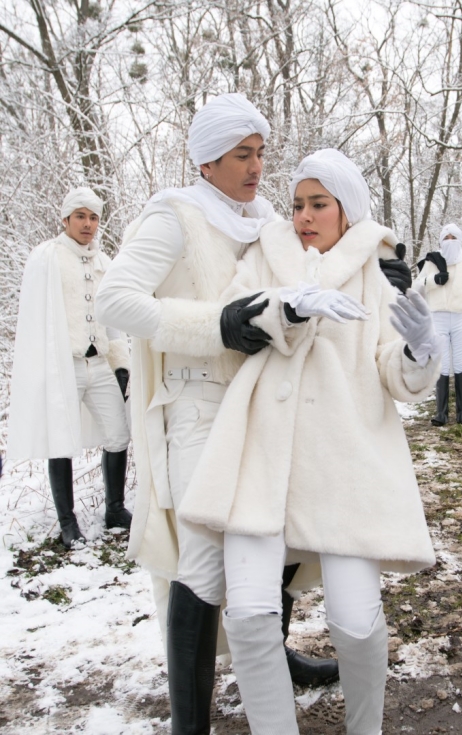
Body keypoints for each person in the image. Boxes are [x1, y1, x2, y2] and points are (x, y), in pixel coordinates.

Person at [95, 94, 337, 735]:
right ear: (206, 160)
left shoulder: (263, 219)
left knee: (274, 542)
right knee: (202, 562)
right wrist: (216, 326)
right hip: (198, 407)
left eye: (260, 153)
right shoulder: (175, 216)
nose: (257, 167)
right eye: (241, 155)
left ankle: (274, 660)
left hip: (263, 403)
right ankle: (189, 724)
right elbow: (114, 299)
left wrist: (375, 270)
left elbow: (308, 279)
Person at [175, 148, 440, 733]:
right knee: (247, 615)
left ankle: (365, 727)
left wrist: (422, 350)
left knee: (355, 620)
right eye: (297, 203)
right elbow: (232, 317)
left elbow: (393, 373)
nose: (303, 216)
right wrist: (288, 306)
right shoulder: (265, 255)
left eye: (319, 204)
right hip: (259, 457)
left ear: (347, 211)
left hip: (344, 462)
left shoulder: (375, 273)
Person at [8, 188, 132, 549]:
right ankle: (68, 522)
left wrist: (120, 363)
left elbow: (112, 319)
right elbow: (37, 317)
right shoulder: (48, 257)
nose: (88, 224)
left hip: (98, 362)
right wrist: (46, 368)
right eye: (80, 216)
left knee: (118, 433)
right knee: (60, 438)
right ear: (65, 220)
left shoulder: (104, 262)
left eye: (93, 217)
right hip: (65, 365)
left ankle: (115, 509)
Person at [412, 224, 462, 425]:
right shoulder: (431, 261)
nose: (450, 241)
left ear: (460, 240)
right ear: (440, 240)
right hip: (437, 317)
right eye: (446, 237)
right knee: (443, 363)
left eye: (453, 237)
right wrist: (433, 279)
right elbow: (416, 286)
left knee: (461, 363)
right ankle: (441, 413)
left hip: (460, 318)